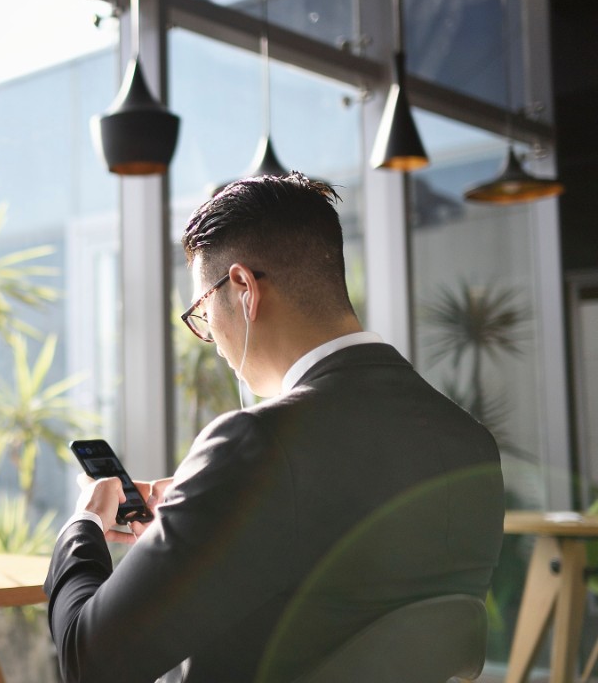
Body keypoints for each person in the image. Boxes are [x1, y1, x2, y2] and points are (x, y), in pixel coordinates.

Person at [44, 173, 504, 683]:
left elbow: (87, 661)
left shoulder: (255, 443)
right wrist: (205, 516)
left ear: (243, 288)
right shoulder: (469, 440)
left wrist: (82, 524)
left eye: (201, 310)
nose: (210, 339)